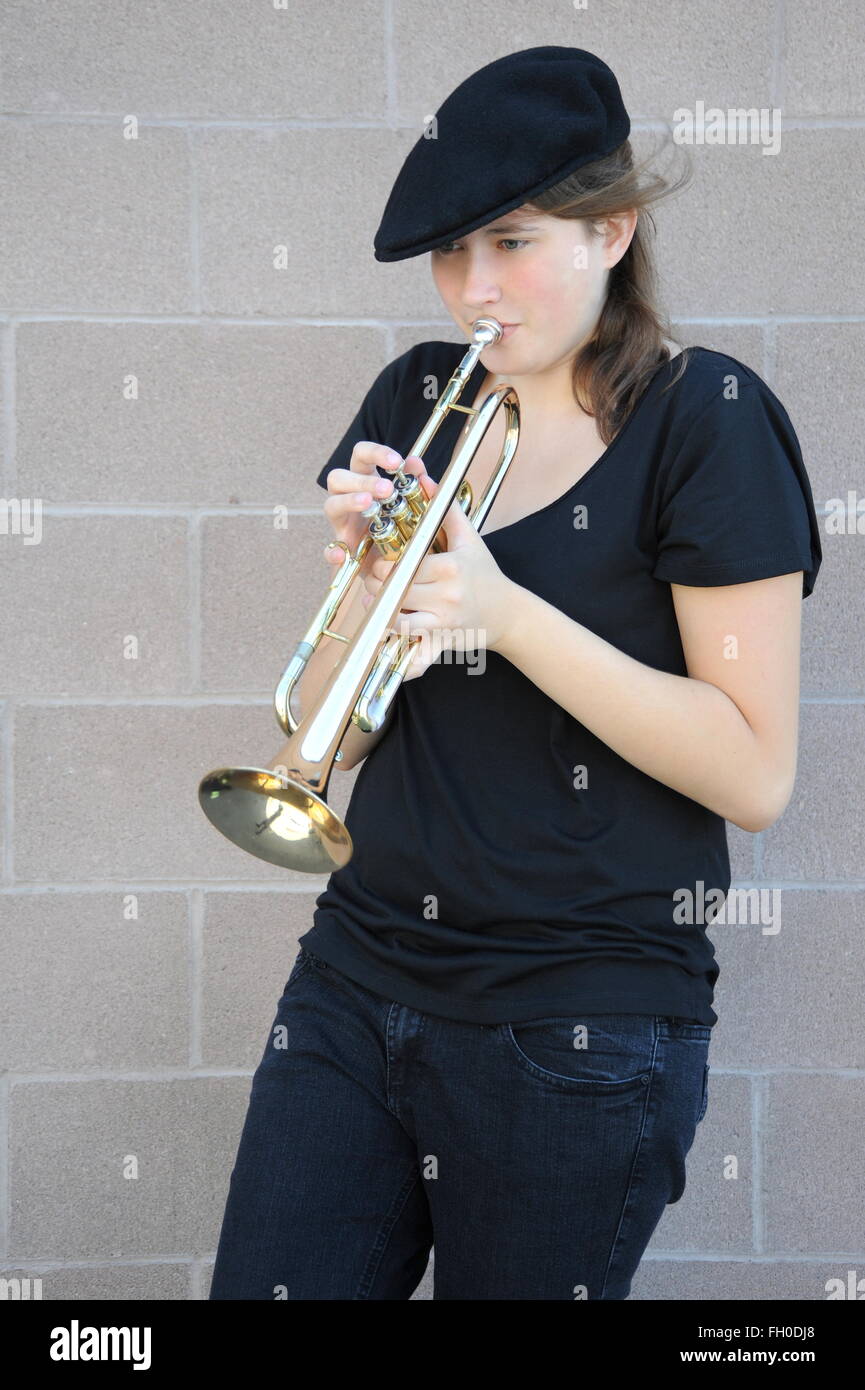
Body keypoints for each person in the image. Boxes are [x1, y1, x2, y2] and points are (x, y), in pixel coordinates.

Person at [209, 47, 822, 1301]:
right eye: (451, 253)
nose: (473, 288)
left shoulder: (706, 419)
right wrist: (366, 592)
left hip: (577, 1026)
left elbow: (754, 769)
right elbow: (336, 730)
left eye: (512, 238)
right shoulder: (418, 392)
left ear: (615, 228)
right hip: (355, 975)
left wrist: (509, 613)